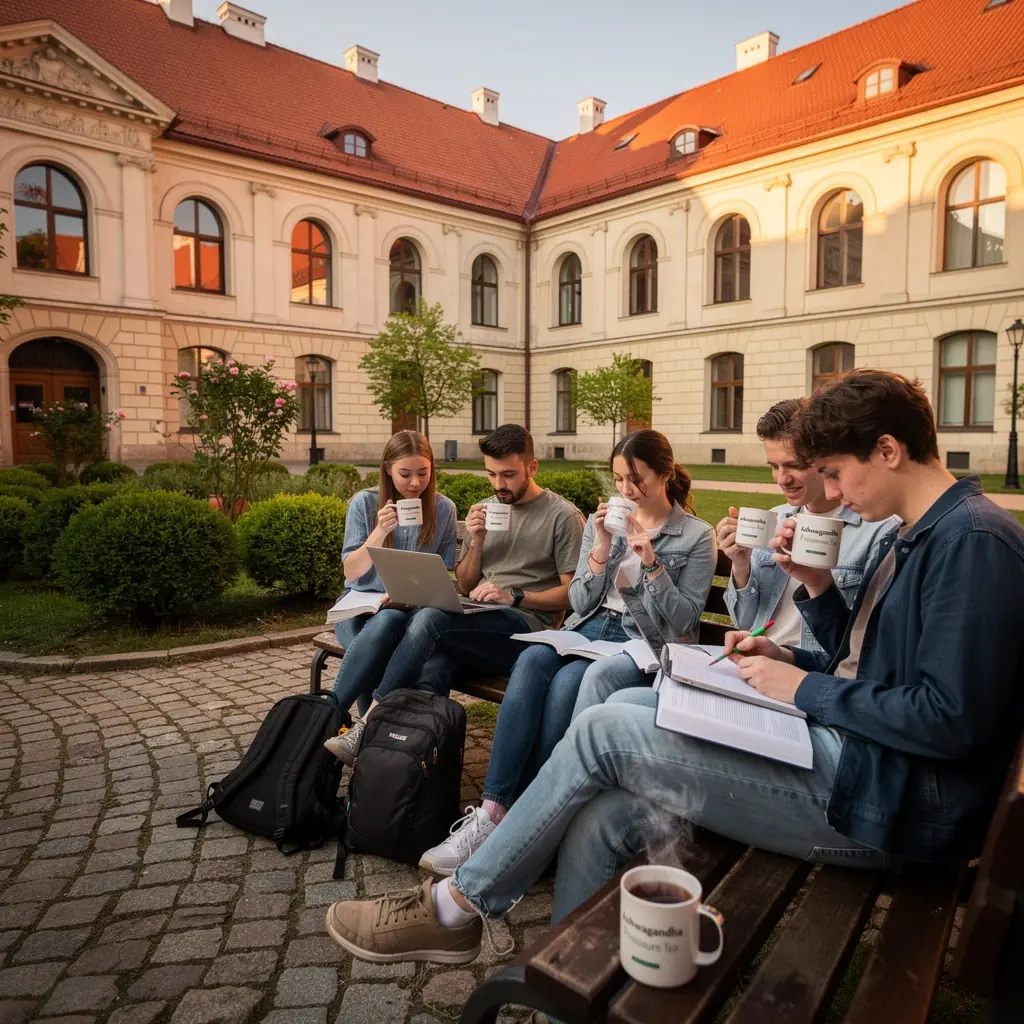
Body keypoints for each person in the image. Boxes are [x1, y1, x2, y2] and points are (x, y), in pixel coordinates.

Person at [323, 369, 1024, 968]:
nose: (832, 491)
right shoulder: (932, 533)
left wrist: (804, 687)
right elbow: (871, 667)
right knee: (613, 767)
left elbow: (950, 722)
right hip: (862, 761)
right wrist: (805, 612)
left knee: (606, 730)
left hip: (885, 802)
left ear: (889, 450)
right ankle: (567, 986)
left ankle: (457, 906)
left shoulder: (972, 544)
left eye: (835, 472)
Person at [417, 430, 715, 876]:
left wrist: (652, 564)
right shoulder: (604, 524)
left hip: (640, 641)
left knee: (569, 684)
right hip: (588, 629)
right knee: (533, 659)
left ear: (665, 474)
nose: (626, 490)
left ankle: (537, 823)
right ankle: (494, 812)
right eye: (619, 479)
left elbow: (684, 621)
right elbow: (578, 602)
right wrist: (600, 548)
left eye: (636, 479)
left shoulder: (695, 535)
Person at [327, 423, 585, 765]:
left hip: (527, 627)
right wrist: (476, 542)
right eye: (491, 474)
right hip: (481, 619)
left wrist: (515, 596)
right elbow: (464, 586)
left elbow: (574, 597)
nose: (499, 484)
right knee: (433, 665)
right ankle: (414, 765)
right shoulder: (486, 508)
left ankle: (369, 722)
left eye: (508, 475)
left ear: (532, 467)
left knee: (429, 619)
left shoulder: (562, 516)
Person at [718, 397, 895, 655]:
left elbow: (864, 649)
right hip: (755, 662)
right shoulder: (775, 518)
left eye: (794, 465)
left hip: (810, 673)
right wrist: (740, 564)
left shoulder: (878, 531)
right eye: (774, 466)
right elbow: (743, 622)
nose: (782, 479)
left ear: (825, 461)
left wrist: (786, 659)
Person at [323, 431, 458, 761]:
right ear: (387, 469)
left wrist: (410, 595)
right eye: (405, 474)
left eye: (423, 473)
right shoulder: (365, 502)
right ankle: (352, 730)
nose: (415, 483)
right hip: (359, 610)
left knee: (392, 620)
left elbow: (443, 573)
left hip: (409, 614)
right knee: (384, 626)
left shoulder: (443, 509)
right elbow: (352, 572)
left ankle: (342, 728)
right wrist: (380, 531)